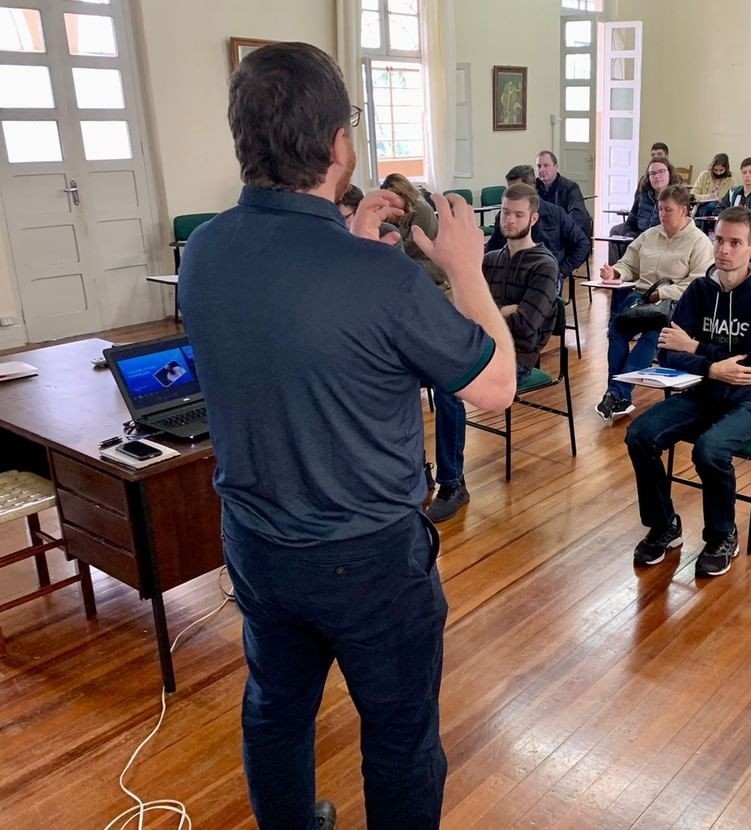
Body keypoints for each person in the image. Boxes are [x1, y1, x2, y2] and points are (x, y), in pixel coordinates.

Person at [179, 42, 517, 830]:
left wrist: (353, 244)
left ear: (242, 139)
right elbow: (496, 387)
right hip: (367, 558)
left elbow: (300, 325)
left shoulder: (205, 252)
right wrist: (467, 269)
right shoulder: (383, 279)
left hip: (257, 542)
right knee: (400, 738)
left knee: (275, 709)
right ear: (340, 144)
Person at [624, 206, 751, 577]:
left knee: (709, 450)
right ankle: (664, 524)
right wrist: (712, 367)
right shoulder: (700, 290)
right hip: (702, 392)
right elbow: (668, 351)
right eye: (719, 240)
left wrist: (697, 348)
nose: (724, 250)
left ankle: (721, 534)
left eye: (735, 243)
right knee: (639, 435)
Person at [429, 184, 560, 522]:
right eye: (505, 212)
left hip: (517, 359)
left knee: (448, 388)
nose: (509, 220)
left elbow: (526, 325)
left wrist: (486, 313)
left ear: (533, 218)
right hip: (479, 348)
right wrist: (500, 311)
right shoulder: (489, 260)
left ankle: (452, 484)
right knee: (412, 371)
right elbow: (464, 311)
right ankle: (418, 470)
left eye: (518, 214)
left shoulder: (545, 265)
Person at [595, 186, 713, 421]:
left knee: (653, 336)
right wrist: (615, 272)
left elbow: (697, 284)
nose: (662, 214)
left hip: (674, 304)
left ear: (683, 211)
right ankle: (618, 394)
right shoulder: (649, 235)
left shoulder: (699, 242)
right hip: (641, 298)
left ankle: (616, 393)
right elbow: (629, 264)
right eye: (660, 209)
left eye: (668, 210)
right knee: (616, 330)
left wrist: (663, 293)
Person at [485, 164, 589, 292]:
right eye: (510, 189)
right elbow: (493, 246)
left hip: (546, 277)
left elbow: (582, 244)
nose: (513, 195)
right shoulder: (503, 217)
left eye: (518, 190)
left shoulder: (556, 214)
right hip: (510, 278)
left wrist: (560, 271)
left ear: (532, 186)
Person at [381, 173, 447, 287]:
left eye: (393, 198)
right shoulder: (394, 212)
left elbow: (412, 247)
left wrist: (387, 257)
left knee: (390, 273)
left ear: (404, 194)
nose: (390, 203)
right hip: (407, 260)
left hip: (428, 262)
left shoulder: (422, 210)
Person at [607, 157, 676, 262]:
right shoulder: (642, 194)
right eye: (652, 173)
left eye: (661, 171)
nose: (657, 176)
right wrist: (632, 237)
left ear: (669, 173)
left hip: (660, 237)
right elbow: (631, 221)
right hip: (639, 234)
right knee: (615, 231)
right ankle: (615, 270)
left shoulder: (676, 197)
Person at [535, 150, 591, 236]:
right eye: (539, 166)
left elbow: (577, 216)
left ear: (556, 167)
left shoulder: (570, 187)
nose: (541, 169)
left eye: (546, 165)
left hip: (563, 235)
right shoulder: (533, 188)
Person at [690, 153, 734, 230]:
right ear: (712, 167)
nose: (718, 173)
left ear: (726, 169)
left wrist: (719, 200)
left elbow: (731, 200)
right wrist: (709, 197)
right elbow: (693, 196)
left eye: (721, 170)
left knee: (716, 209)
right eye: (715, 170)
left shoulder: (731, 180)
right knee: (711, 206)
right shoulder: (704, 175)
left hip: (721, 210)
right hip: (702, 207)